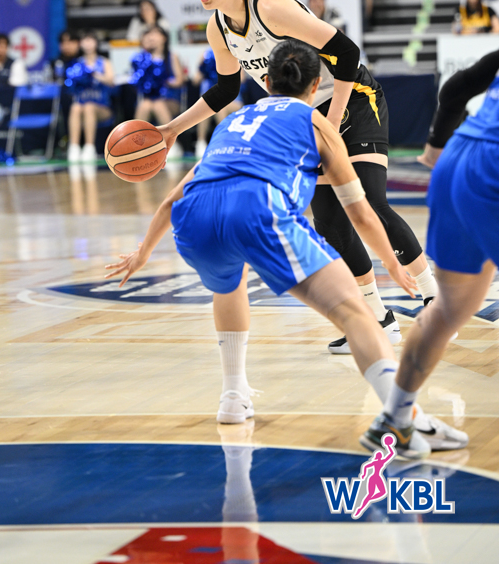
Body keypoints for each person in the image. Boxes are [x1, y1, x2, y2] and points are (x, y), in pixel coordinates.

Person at [109, 40, 451, 459]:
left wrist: (143, 253)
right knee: (356, 313)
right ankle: (401, 420)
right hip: (257, 210)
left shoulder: (232, 121)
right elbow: (361, 213)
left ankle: (233, 396)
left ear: (266, 82)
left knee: (229, 284)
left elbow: (171, 199)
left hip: (193, 222)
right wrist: (392, 265)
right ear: (316, 86)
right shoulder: (317, 121)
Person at [155, 0, 443, 361]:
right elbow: (226, 89)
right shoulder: (218, 27)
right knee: (329, 221)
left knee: (369, 200)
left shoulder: (269, 7)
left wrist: (333, 120)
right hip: (308, 115)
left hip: (352, 98)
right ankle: (377, 316)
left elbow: (346, 52)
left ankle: (434, 299)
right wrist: (171, 129)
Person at [363, 48, 499, 455]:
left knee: (448, 309)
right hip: (492, 165)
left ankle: (395, 418)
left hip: (459, 157)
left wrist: (437, 144)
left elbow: (456, 88)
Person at [65, 30, 114, 163]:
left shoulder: (104, 62)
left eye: (90, 40)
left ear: (96, 43)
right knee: (75, 107)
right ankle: (74, 147)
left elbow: (111, 81)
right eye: (85, 40)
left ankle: (89, 147)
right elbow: (69, 86)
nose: (88, 44)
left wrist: (94, 74)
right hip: (81, 104)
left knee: (89, 107)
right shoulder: (76, 64)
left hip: (102, 106)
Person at [129, 26, 184, 126]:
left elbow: (179, 80)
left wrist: (163, 81)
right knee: (145, 105)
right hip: (148, 99)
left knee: (158, 105)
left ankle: (170, 135)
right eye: (149, 34)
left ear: (164, 38)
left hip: (169, 98)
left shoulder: (171, 57)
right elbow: (137, 80)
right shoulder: (142, 58)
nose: (152, 37)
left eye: (155, 34)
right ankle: (138, 135)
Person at [193, 47, 242, 158]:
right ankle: (201, 142)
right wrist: (204, 68)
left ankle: (224, 140)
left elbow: (242, 79)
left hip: (234, 100)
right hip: (212, 97)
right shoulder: (205, 54)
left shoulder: (234, 51)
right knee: (207, 107)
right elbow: (196, 80)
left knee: (219, 104)